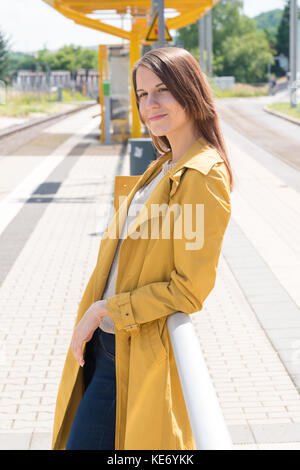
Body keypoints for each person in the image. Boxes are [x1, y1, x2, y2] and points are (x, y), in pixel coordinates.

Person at [52, 47, 233, 450]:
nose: (149, 104)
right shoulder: (165, 163)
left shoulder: (203, 176)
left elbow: (189, 289)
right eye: (141, 94)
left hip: (129, 344)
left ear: (191, 91)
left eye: (162, 90)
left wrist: (104, 310)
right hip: (110, 340)